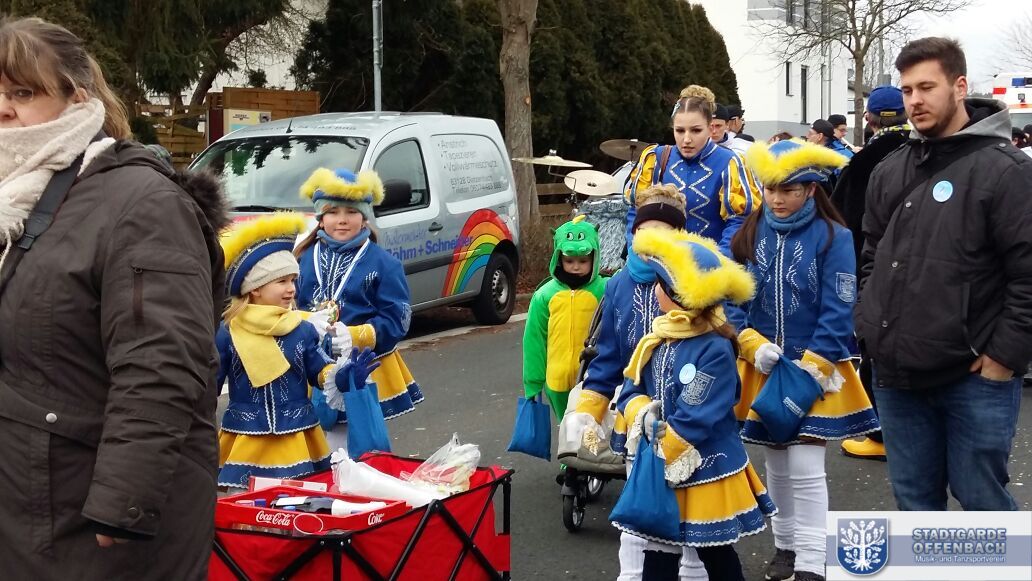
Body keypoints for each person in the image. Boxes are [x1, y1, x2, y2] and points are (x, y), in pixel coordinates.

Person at [0, 16, 227, 577]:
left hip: (91, 519)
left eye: (22, 93)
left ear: (77, 97)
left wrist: (123, 503)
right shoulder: (14, 198)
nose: (3, 109)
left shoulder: (141, 203)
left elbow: (162, 362)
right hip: (24, 496)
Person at [856, 37, 1032, 511]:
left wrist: (1003, 357)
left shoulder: (1008, 172)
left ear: (959, 86)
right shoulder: (889, 169)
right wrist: (868, 326)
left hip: (974, 378)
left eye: (926, 87)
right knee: (914, 505)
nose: (914, 100)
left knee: (983, 504)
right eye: (907, 89)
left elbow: (1027, 276)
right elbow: (871, 255)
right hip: (896, 376)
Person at [731, 139, 879, 581]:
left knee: (806, 466)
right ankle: (786, 547)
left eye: (789, 189)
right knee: (776, 462)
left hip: (817, 365)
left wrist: (813, 367)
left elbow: (840, 306)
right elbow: (732, 300)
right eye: (771, 188)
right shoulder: (749, 231)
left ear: (812, 189)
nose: (777, 199)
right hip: (763, 365)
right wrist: (749, 342)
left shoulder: (835, 236)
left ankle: (813, 560)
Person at [614, 228, 776, 581]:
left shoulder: (714, 347)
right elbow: (630, 387)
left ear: (679, 294)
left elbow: (698, 413)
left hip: (704, 465)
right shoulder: (657, 337)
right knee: (658, 550)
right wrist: (642, 413)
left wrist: (666, 447)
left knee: (715, 553)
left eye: (660, 284)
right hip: (663, 459)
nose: (654, 290)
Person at [568, 184, 709, 581]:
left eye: (663, 232)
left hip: (688, 412)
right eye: (643, 231)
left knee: (690, 503)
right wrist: (589, 406)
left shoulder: (699, 279)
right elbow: (609, 356)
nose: (650, 241)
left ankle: (693, 570)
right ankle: (630, 574)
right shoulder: (618, 285)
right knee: (639, 501)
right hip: (636, 411)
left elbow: (716, 347)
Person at [217, 213, 377, 487]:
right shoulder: (228, 333)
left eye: (293, 280)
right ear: (254, 289)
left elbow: (319, 370)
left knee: (298, 503)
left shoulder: (302, 329)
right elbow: (208, 385)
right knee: (245, 506)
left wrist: (342, 376)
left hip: (298, 438)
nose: (292, 289)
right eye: (281, 281)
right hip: (245, 438)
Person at [295, 167, 423, 451]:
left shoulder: (384, 264)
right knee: (314, 447)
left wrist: (355, 336)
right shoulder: (302, 258)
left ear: (364, 217)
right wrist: (305, 322)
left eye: (351, 212)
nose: (342, 219)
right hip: (312, 368)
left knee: (358, 448)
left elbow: (398, 320)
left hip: (360, 370)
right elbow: (288, 307)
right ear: (320, 218)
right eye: (332, 212)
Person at [830, 85, 910, 462]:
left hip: (874, 268)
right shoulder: (928, 151)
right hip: (927, 272)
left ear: (870, 118)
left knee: (876, 349)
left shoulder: (864, 162)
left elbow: (841, 217)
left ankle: (880, 434)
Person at [624, 91, 761, 256]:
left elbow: (739, 221)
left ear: (710, 128)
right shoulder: (656, 159)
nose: (687, 139)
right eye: (680, 131)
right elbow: (635, 211)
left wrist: (719, 261)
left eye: (696, 130)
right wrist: (637, 252)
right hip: (655, 263)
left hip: (711, 265)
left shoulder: (730, 163)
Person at [523, 215, 608, 420]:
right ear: (558, 257)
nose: (576, 267)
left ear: (594, 256)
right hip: (557, 381)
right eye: (569, 260)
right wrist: (533, 382)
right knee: (566, 430)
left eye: (583, 260)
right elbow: (535, 339)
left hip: (593, 377)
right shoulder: (545, 295)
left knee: (591, 429)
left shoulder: (605, 289)